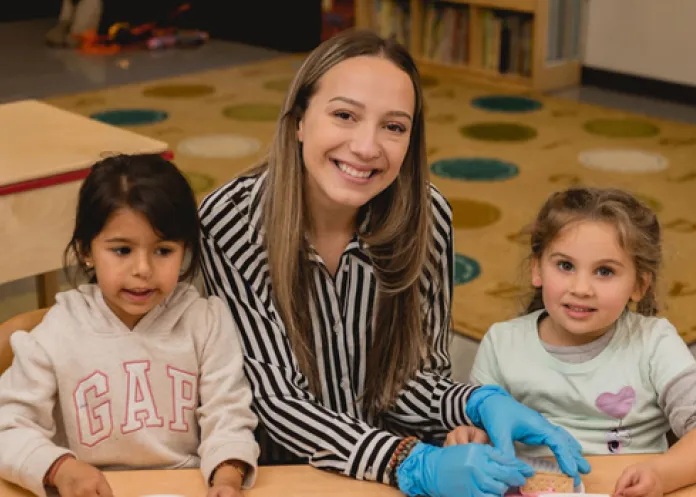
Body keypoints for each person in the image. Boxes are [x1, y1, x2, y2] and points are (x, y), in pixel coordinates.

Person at [198, 29, 589, 497]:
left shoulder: (427, 217)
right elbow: (276, 399)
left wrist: (471, 405)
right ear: (300, 120)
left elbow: (414, 376)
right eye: (344, 115)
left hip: (398, 474)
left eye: (394, 126)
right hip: (284, 477)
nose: (367, 147)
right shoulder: (230, 222)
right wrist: (409, 462)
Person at [0, 154, 259, 497]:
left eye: (163, 250)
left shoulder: (206, 322)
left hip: (187, 486)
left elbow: (229, 416)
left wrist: (226, 475)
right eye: (122, 250)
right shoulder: (56, 332)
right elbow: (8, 429)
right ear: (86, 251)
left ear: (186, 251)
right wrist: (59, 468)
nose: (143, 269)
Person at [470, 187, 696, 497]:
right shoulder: (501, 343)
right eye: (565, 265)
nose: (581, 288)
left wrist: (659, 475)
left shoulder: (655, 343)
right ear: (537, 268)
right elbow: (478, 434)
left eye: (604, 271)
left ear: (639, 284)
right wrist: (467, 437)